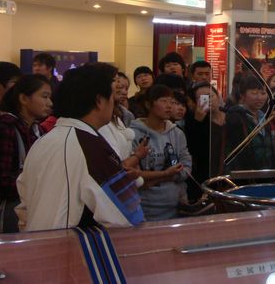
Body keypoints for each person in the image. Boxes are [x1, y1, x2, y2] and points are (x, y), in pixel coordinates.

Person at [16, 63, 144, 231]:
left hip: (37, 240)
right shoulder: (90, 146)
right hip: (68, 244)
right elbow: (128, 215)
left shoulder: (43, 141)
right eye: (112, 96)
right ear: (99, 100)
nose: (114, 103)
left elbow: (24, 205)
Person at [0, 75, 52, 233]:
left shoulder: (38, 130)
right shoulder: (5, 129)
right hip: (9, 215)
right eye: (44, 96)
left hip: (32, 211)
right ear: (23, 99)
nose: (50, 103)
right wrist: (36, 186)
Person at [130, 85, 192, 221]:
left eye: (172, 101)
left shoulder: (177, 133)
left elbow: (186, 168)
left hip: (175, 206)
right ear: (148, 105)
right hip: (144, 208)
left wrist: (155, 179)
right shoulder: (134, 134)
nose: (169, 106)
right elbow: (135, 176)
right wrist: (167, 174)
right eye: (164, 101)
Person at [224, 76, 275, 172]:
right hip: (245, 175)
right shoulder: (235, 118)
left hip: (266, 174)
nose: (259, 98)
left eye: (263, 93)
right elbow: (240, 154)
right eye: (254, 93)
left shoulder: (264, 118)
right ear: (242, 95)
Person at [186, 81, 226, 198]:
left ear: (218, 96)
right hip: (206, 173)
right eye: (202, 98)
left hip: (228, 170)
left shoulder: (231, 115)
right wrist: (198, 121)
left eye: (210, 96)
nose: (208, 100)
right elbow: (193, 149)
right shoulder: (193, 120)